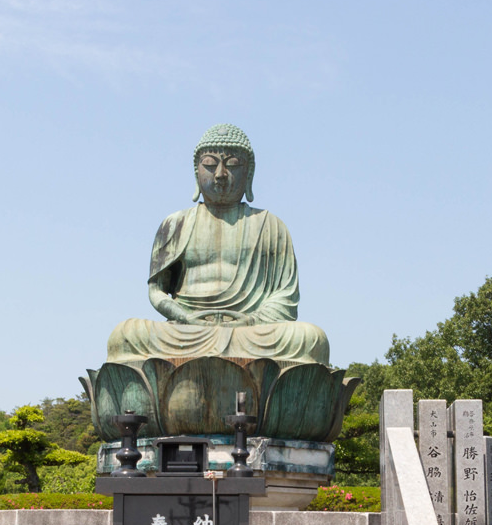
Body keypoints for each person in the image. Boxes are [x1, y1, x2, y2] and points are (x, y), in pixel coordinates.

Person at [106, 124, 329, 364]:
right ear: (196, 171)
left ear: (249, 173)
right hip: (186, 332)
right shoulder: (176, 223)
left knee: (310, 338)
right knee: (127, 334)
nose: (221, 174)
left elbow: (285, 297)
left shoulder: (271, 226)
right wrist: (186, 318)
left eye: (232, 165)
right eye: (210, 165)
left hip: (250, 333)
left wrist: (252, 321)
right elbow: (156, 290)